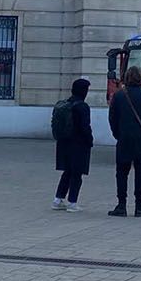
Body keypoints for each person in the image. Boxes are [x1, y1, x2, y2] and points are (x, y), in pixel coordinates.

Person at [108, 66, 141, 217]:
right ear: (140, 77)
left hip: (124, 140)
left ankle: (121, 205)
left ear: (126, 77)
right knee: (140, 173)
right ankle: (139, 207)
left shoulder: (119, 95)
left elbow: (112, 118)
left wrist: (117, 134)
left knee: (121, 173)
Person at [51, 77, 95, 212]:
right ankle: (72, 202)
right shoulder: (82, 106)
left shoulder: (65, 104)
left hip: (64, 143)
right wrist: (90, 140)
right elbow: (85, 126)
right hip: (78, 144)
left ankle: (57, 200)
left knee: (67, 172)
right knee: (77, 175)